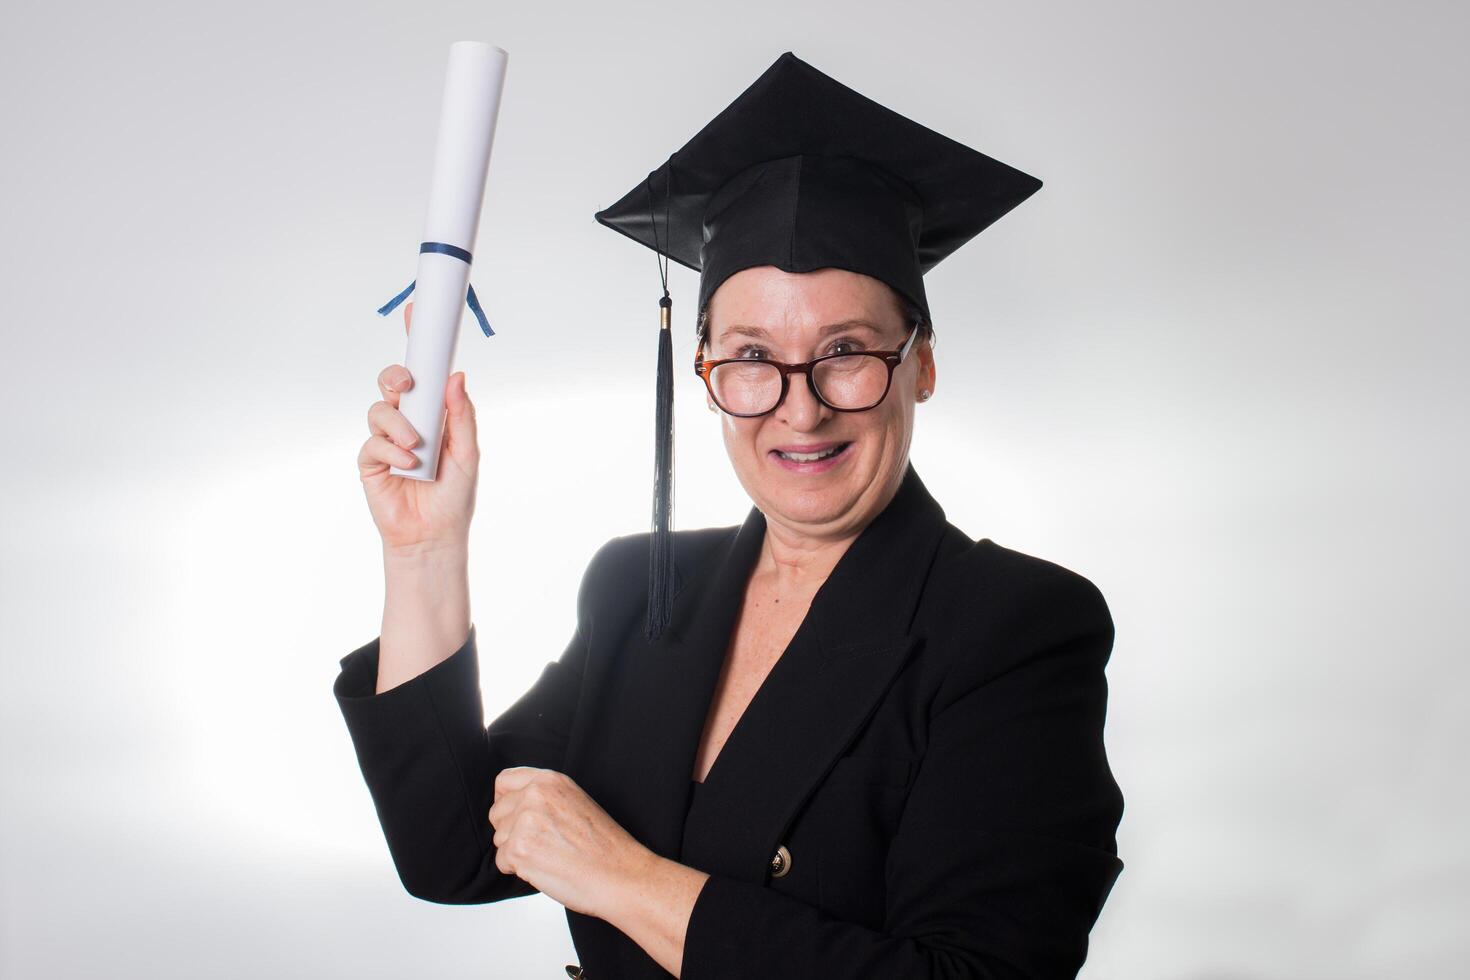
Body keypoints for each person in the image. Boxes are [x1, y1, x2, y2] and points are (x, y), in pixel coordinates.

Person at [335, 51, 1123, 979]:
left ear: (920, 365)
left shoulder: (1011, 627)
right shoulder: (642, 588)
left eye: (847, 352)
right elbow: (456, 851)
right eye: (753, 355)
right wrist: (423, 552)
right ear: (705, 372)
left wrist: (625, 879)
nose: (800, 408)